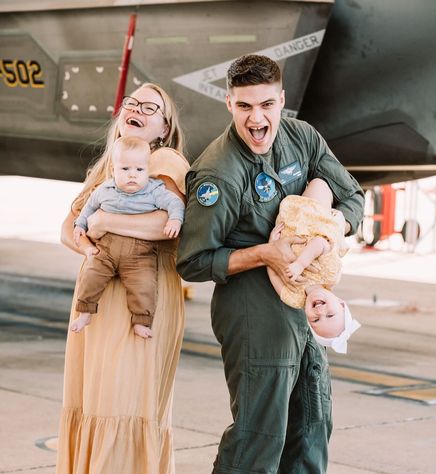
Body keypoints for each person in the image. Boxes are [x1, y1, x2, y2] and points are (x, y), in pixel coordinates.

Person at [177, 54, 364, 473]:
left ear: (282, 100)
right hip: (252, 309)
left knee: (312, 427)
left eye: (266, 105)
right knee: (258, 438)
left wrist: (328, 231)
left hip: (304, 306)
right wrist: (264, 253)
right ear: (229, 104)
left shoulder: (303, 138)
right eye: (244, 106)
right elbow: (192, 262)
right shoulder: (218, 174)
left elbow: (353, 198)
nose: (256, 119)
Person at [56, 82, 189, 474]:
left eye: (151, 107)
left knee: (122, 402)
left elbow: (166, 223)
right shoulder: (107, 167)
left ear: (164, 128)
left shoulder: (164, 159)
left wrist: (103, 222)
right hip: (98, 297)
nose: (138, 109)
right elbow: (68, 227)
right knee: (93, 402)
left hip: (139, 300)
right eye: (132, 103)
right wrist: (91, 248)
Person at [70, 136, 185, 338]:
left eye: (139, 170)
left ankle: (141, 320)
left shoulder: (155, 190)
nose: (132, 175)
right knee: (90, 276)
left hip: (140, 253)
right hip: (105, 249)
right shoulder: (104, 190)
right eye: (125, 169)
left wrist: (175, 220)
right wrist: (80, 225)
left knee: (145, 286)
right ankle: (85, 311)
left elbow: (175, 204)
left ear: (147, 171)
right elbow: (87, 209)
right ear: (113, 170)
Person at [267, 178, 361, 354]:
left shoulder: (294, 299)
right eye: (330, 315)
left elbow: (273, 276)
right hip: (314, 216)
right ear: (341, 304)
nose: (320, 311)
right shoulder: (331, 275)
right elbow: (320, 242)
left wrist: (272, 247)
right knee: (319, 184)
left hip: (288, 220)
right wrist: (300, 264)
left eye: (316, 320)